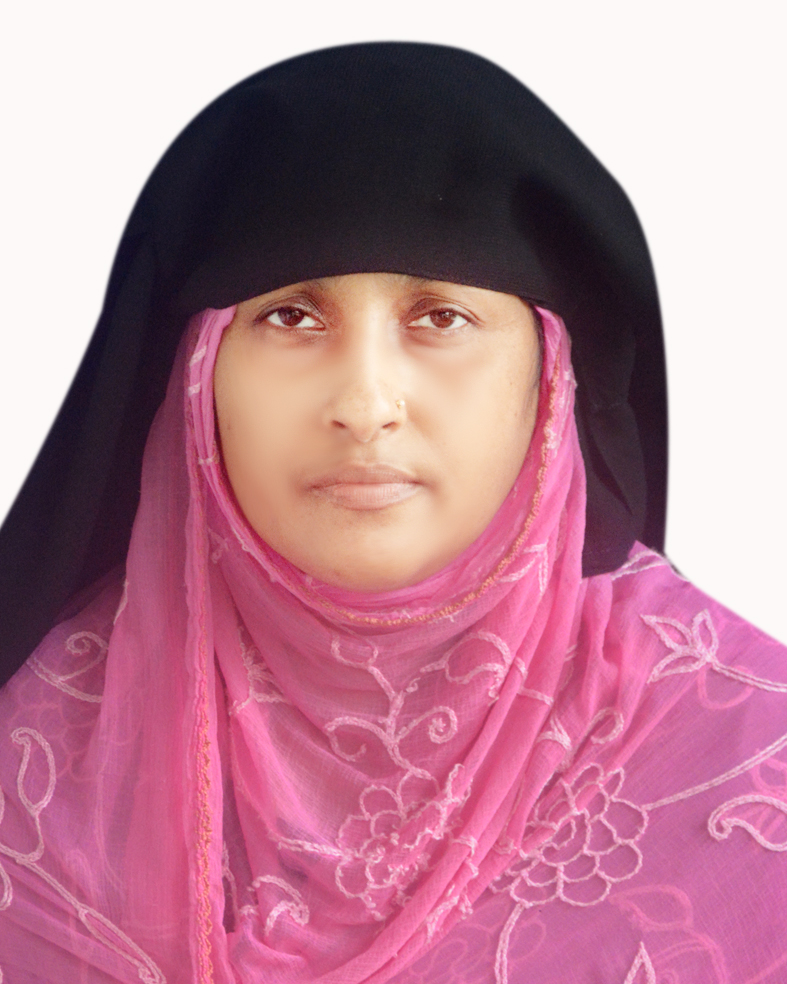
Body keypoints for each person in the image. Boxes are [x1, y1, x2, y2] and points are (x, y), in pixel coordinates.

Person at [0, 41, 784, 984]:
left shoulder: (748, 766)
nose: (365, 402)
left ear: (552, 379)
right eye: (290, 316)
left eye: (440, 318)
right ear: (195, 375)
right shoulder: (26, 768)